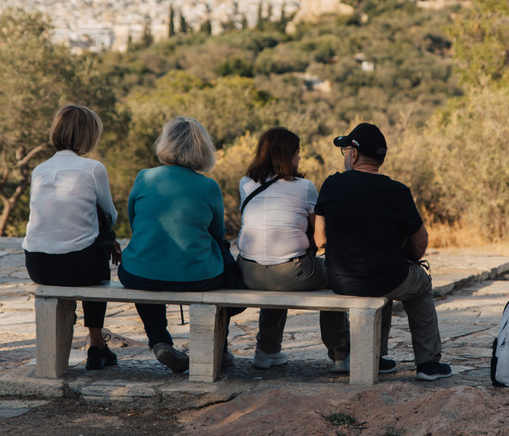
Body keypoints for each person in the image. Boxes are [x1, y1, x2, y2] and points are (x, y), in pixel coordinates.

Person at [314, 122, 452, 381]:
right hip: (386, 277)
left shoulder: (332, 185)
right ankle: (428, 363)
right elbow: (421, 238)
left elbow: (320, 239)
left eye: (345, 150)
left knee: (383, 277)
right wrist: (411, 259)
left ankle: (374, 357)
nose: (345, 155)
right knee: (419, 284)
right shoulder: (397, 191)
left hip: (340, 279)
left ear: (354, 154)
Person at [118, 116, 228, 374]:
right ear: (202, 148)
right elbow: (218, 234)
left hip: (140, 273)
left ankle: (159, 340)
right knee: (224, 268)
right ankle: (218, 348)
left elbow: (135, 222)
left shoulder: (144, 177)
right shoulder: (209, 186)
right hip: (198, 277)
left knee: (144, 271)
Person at [238, 128, 349, 370]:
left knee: (275, 264)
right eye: (297, 152)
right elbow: (320, 235)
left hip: (248, 273)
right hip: (293, 274)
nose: (300, 157)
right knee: (334, 277)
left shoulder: (245, 183)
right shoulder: (305, 187)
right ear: (288, 155)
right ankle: (341, 354)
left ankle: (266, 351)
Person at [23, 105, 122, 370]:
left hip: (38, 265)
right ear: (89, 135)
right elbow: (110, 216)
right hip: (78, 266)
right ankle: (96, 344)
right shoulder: (93, 168)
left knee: (91, 247)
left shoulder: (39, 170)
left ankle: (96, 345)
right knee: (98, 261)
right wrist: (107, 237)